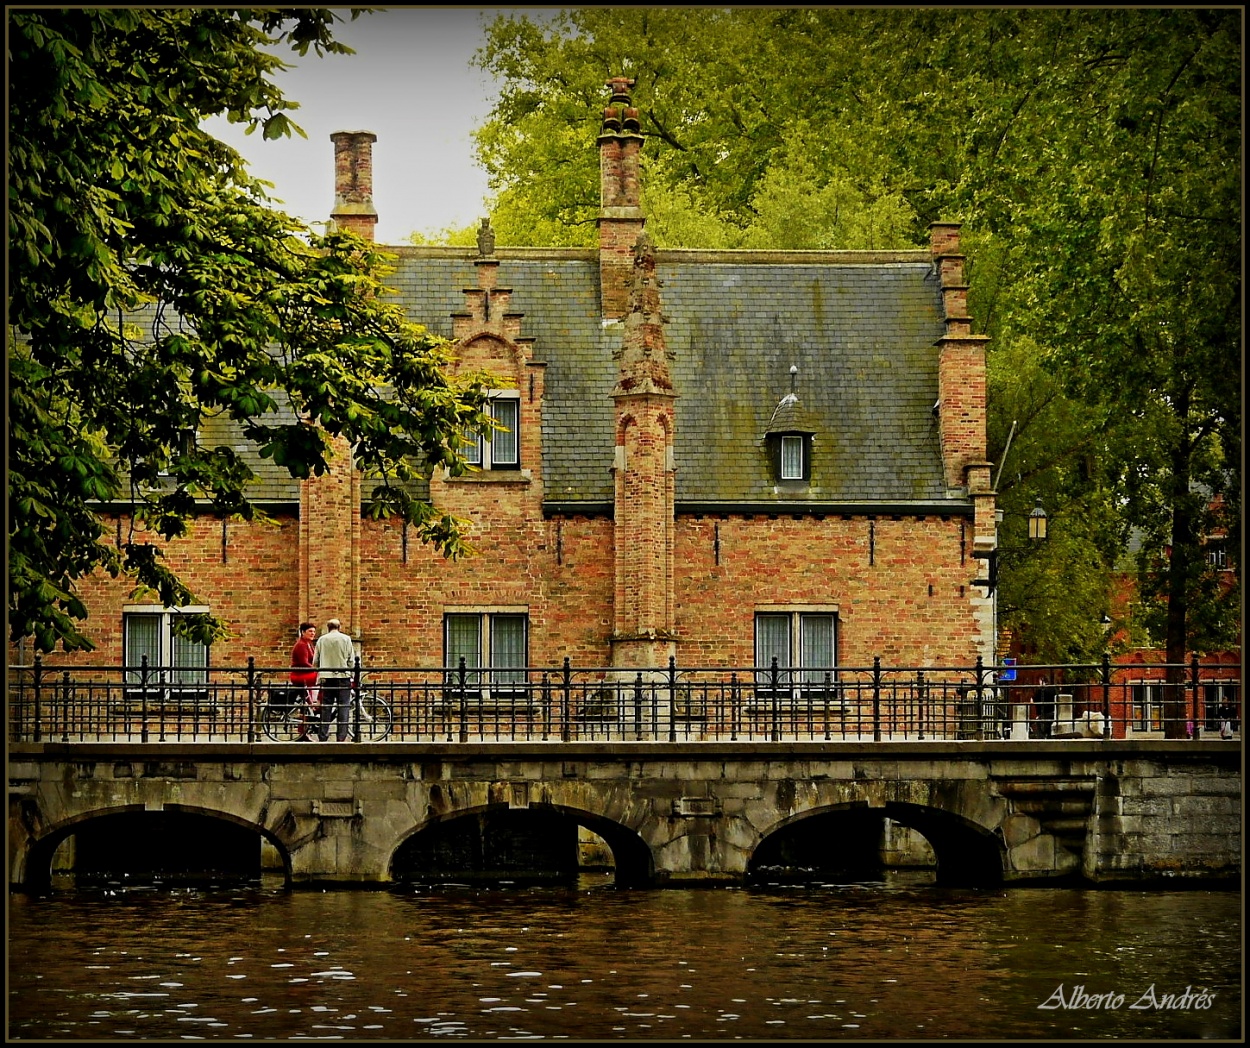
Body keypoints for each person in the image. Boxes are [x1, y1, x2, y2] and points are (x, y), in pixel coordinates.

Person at [314, 618, 356, 742]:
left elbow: (315, 660)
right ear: (339, 627)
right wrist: (350, 672)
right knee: (343, 707)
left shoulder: (322, 640)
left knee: (326, 706)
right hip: (343, 677)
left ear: (328, 627)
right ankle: (341, 737)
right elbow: (351, 660)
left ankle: (323, 735)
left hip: (326, 677)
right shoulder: (346, 639)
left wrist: (320, 671)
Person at [289, 622, 319, 741]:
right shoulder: (301, 645)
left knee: (306, 703)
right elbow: (304, 662)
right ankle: (317, 704)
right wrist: (317, 669)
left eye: (314, 632)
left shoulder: (308, 643)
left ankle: (313, 705)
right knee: (322, 679)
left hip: (305, 674)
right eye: (310, 631)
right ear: (303, 632)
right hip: (300, 675)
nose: (313, 634)